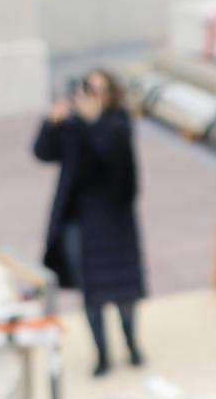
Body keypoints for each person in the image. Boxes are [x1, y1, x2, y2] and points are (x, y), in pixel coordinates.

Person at [34, 69, 148, 378]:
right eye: (87, 89)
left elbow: (117, 165)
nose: (91, 96)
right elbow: (43, 153)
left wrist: (93, 122)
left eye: (99, 90)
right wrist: (50, 123)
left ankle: (131, 343)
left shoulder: (117, 124)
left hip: (113, 220)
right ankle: (102, 354)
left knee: (123, 291)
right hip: (79, 221)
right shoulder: (72, 125)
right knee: (92, 292)